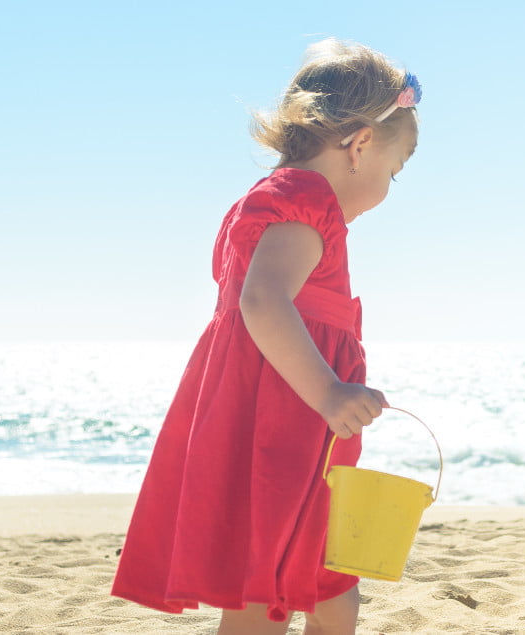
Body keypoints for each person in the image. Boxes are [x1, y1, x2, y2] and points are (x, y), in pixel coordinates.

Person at [111, 37, 421, 635]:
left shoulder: (271, 201)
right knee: (297, 585)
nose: (387, 190)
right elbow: (261, 300)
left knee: (292, 582)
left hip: (280, 422)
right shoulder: (305, 202)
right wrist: (330, 391)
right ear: (359, 147)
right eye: (394, 171)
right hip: (289, 426)